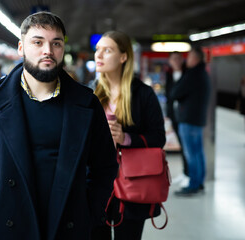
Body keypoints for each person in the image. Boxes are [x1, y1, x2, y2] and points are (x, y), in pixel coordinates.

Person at [0, 12, 117, 240]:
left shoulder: (87, 103)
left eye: (56, 43)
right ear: (21, 48)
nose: (47, 50)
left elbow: (105, 165)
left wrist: (89, 212)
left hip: (69, 226)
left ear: (62, 50)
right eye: (38, 42)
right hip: (10, 226)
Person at [90, 31, 166, 240]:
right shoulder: (91, 93)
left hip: (132, 184)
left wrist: (125, 139)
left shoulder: (143, 94)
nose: (99, 55)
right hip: (97, 186)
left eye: (107, 50)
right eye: (98, 50)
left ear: (123, 57)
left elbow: (158, 137)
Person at [171, 46, 211, 196]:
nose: (187, 60)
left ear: (195, 59)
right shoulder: (203, 73)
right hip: (197, 120)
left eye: (189, 57)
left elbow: (175, 92)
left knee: (191, 154)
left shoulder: (192, 74)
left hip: (189, 120)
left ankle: (193, 185)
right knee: (198, 152)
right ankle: (199, 182)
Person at [165, 51, 189, 187]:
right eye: (173, 59)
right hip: (174, 114)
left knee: (187, 146)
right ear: (169, 61)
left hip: (185, 114)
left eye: (179, 58)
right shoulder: (169, 75)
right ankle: (185, 172)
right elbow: (169, 96)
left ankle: (189, 173)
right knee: (182, 144)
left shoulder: (187, 74)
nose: (176, 61)